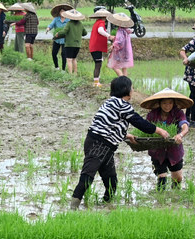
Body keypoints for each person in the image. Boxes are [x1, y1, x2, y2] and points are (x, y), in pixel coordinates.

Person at [70, 76, 169, 210]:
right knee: (88, 175)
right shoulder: (122, 105)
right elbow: (139, 123)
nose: (133, 90)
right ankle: (72, 207)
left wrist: (125, 135)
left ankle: (106, 205)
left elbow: (110, 124)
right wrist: (159, 131)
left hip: (103, 145)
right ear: (126, 90)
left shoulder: (110, 102)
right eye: (132, 88)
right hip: (99, 144)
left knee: (111, 181)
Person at [139, 88, 192, 190]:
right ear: (159, 103)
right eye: (164, 103)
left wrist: (180, 135)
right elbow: (146, 128)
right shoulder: (152, 114)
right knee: (162, 177)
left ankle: (175, 196)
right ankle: (161, 200)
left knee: (177, 178)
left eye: (170, 103)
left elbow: (184, 126)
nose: (167, 106)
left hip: (174, 150)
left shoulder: (178, 113)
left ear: (173, 103)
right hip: (157, 151)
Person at [54, 9, 86, 75]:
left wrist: (58, 33)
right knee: (74, 59)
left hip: (69, 44)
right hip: (77, 44)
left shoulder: (69, 23)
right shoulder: (80, 24)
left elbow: (64, 31)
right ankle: (75, 73)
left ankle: (70, 74)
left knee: (69, 59)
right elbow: (85, 33)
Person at [88, 7, 113, 87]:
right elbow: (100, 31)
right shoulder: (101, 23)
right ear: (104, 16)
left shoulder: (97, 22)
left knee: (98, 63)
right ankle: (96, 82)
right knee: (98, 64)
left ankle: (97, 80)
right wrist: (109, 36)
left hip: (94, 46)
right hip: (96, 47)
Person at [106, 13, 134, 77]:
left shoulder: (120, 31)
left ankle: (122, 80)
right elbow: (122, 40)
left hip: (120, 52)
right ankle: (127, 84)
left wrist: (113, 46)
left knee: (114, 66)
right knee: (124, 68)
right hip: (126, 52)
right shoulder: (127, 30)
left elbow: (120, 42)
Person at [45, 4, 71, 70]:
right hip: (57, 39)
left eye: (63, 12)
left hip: (65, 39)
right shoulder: (56, 19)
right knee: (54, 53)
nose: (62, 13)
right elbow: (51, 25)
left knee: (64, 54)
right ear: (59, 12)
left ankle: (63, 69)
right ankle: (56, 67)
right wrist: (48, 28)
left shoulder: (68, 20)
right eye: (61, 12)